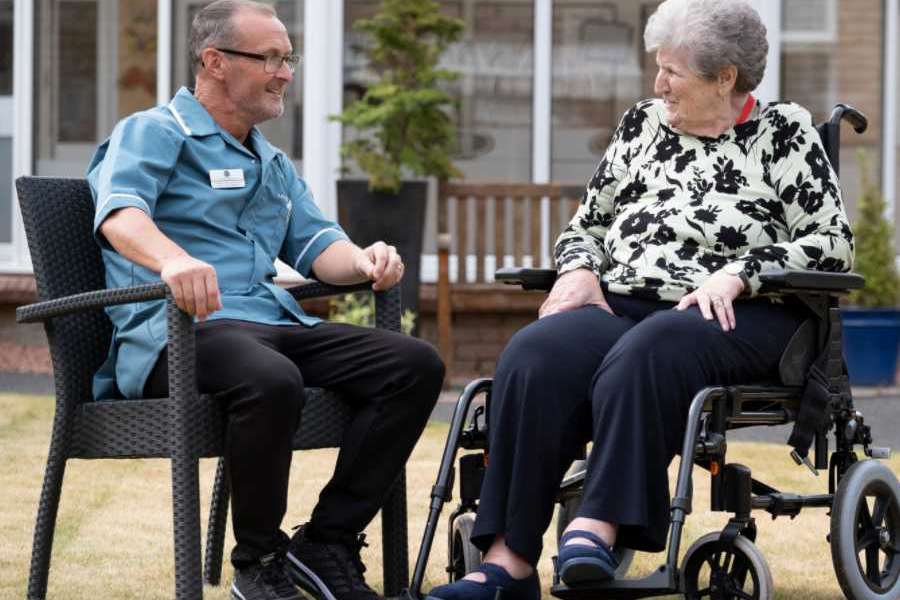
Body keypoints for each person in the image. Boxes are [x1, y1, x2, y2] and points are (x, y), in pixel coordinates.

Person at [426, 0, 854, 599]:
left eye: (672, 72)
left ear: (724, 77)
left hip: (743, 314)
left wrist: (740, 273)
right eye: (658, 68)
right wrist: (576, 268)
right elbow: (589, 224)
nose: (658, 84)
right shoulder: (642, 125)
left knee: (652, 349)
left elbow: (833, 244)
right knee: (536, 353)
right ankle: (507, 563)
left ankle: (595, 527)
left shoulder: (784, 132)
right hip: (624, 304)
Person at [86, 2, 445, 600]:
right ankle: (258, 562)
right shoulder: (154, 131)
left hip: (270, 324)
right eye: (271, 58)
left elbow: (315, 244)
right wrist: (173, 260)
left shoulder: (269, 159)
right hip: (177, 336)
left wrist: (363, 259)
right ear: (214, 62)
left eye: (288, 58)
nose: (285, 73)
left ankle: (326, 542)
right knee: (271, 377)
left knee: (413, 365)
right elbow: (121, 214)